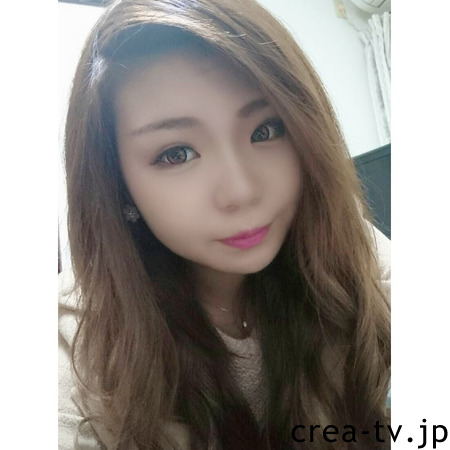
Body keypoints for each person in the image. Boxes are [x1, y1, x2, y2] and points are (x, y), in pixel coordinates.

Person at [58, 0, 391, 448]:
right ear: (117, 183)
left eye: (265, 130)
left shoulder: (339, 240)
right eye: (177, 153)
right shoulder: (73, 349)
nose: (241, 191)